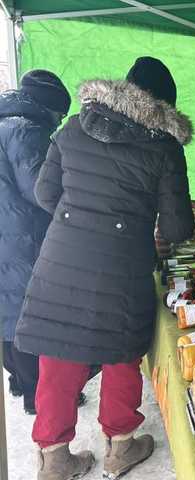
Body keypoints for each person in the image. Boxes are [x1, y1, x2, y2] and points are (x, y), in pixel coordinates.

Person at [15, 57, 195, 480]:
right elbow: (177, 227)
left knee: (58, 352)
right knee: (121, 350)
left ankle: (55, 458)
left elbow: (45, 193)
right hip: (123, 262)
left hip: (62, 257)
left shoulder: (75, 127)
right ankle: (121, 446)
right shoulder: (164, 148)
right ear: (165, 106)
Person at [0, 70, 71, 415]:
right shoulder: (27, 131)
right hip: (22, 237)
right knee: (29, 315)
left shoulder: (5, 123)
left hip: (7, 233)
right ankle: (37, 397)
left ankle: (16, 380)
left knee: (8, 310)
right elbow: (43, 190)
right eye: (60, 115)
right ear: (49, 107)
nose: (59, 124)